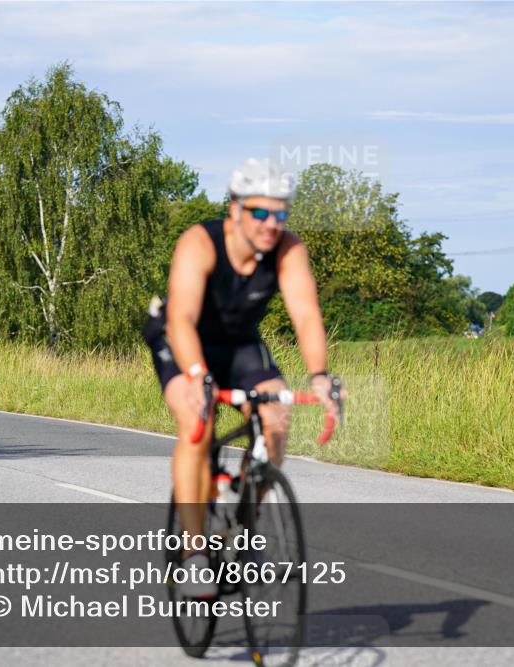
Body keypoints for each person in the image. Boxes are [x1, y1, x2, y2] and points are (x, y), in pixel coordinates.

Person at [143, 158, 342, 597]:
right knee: (198, 423)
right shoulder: (200, 242)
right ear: (235, 209)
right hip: (182, 338)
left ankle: (248, 529)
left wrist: (320, 377)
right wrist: (196, 376)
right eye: (260, 212)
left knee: (276, 417)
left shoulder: (288, 250)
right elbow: (181, 318)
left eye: (281, 213)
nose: (272, 223)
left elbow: (306, 314)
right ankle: (194, 553)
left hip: (239, 344)